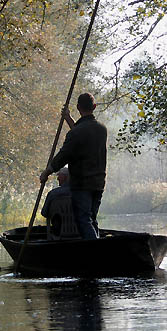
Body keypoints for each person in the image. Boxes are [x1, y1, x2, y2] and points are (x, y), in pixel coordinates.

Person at [40, 92, 107, 239]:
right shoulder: (102, 129)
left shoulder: (77, 133)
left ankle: (96, 253)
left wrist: (47, 172)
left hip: (82, 184)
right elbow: (81, 133)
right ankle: (98, 250)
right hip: (98, 183)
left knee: (83, 220)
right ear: (94, 107)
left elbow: (64, 155)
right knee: (92, 219)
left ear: (78, 107)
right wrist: (68, 118)